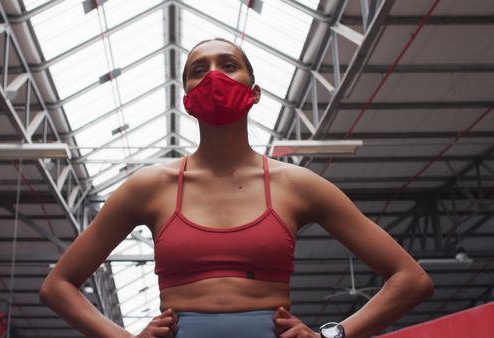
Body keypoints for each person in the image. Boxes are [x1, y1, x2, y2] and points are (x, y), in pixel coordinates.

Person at [39, 38, 434, 338]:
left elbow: (411, 279)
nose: (214, 76)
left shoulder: (297, 186)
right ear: (188, 100)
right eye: (199, 70)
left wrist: (333, 335)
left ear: (255, 92)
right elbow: (57, 286)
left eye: (228, 65)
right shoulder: (149, 187)